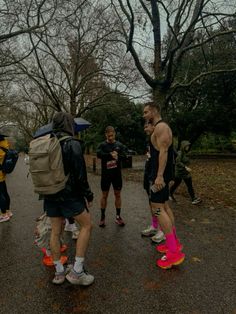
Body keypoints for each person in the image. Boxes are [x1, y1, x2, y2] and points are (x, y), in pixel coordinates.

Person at [43, 112, 94, 285]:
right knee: (87, 225)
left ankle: (59, 272)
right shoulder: (72, 143)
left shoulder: (46, 143)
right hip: (69, 195)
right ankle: (77, 272)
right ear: (69, 125)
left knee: (55, 232)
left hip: (49, 194)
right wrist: (88, 194)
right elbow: (80, 175)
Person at [143, 102, 185, 269]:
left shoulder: (161, 127)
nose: (144, 115)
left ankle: (174, 252)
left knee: (157, 208)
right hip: (158, 175)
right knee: (164, 207)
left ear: (154, 111)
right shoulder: (158, 128)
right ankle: (173, 243)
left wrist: (159, 176)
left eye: (146, 112)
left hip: (159, 177)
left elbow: (164, 152)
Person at [96, 126, 126, 227]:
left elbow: (125, 156)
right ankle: (102, 217)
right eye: (108, 135)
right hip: (106, 175)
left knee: (117, 195)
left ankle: (118, 217)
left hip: (117, 175)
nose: (110, 137)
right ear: (106, 135)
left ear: (114, 134)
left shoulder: (119, 145)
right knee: (104, 195)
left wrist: (118, 156)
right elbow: (98, 154)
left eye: (112, 135)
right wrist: (110, 155)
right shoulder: (102, 145)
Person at [141, 122, 165, 244]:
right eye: (144, 127)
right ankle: (154, 226)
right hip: (149, 176)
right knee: (151, 203)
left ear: (154, 126)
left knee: (160, 205)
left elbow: (172, 157)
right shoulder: (149, 141)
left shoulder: (161, 140)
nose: (145, 129)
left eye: (147, 126)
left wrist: (163, 177)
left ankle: (162, 229)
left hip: (158, 179)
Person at [169, 141, 201, 205]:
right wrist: (185, 167)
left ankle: (193, 198)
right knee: (176, 184)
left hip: (185, 173)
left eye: (188, 146)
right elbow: (177, 162)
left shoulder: (185, 153)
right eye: (187, 146)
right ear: (183, 146)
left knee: (189, 185)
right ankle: (169, 193)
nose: (188, 147)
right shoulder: (180, 153)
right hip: (180, 173)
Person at [0, 134, 13, 222]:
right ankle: (8, 212)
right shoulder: (5, 145)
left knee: (0, 195)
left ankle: (4, 214)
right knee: (4, 193)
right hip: (2, 173)